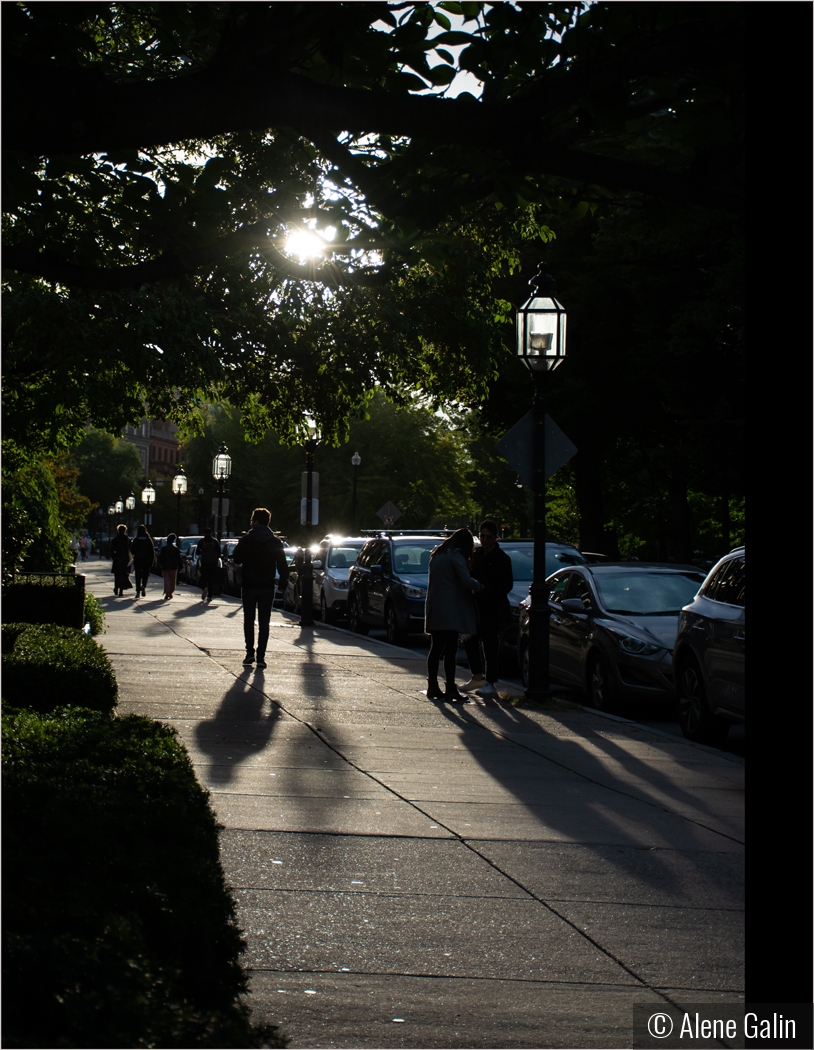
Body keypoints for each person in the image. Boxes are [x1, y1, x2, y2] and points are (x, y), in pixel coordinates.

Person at [424, 528, 483, 703]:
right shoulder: (456, 555)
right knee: (450, 650)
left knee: (436, 648)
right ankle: (450, 688)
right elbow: (465, 579)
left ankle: (432, 685)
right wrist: (480, 586)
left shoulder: (438, 553)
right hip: (450, 610)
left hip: (435, 607)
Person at [461, 519, 514, 698]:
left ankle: (490, 681)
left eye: (488, 537)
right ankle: (477, 676)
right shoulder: (476, 555)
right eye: (482, 536)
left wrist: (487, 591)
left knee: (490, 643)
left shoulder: (502, 559)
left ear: (495, 537)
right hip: (475, 606)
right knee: (470, 640)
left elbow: (506, 585)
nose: (484, 540)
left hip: (492, 607)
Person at [233, 508, 289, 669]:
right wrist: (283, 583)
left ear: (255, 521)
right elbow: (282, 565)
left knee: (248, 620)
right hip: (267, 585)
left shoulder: (247, 539)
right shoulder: (275, 541)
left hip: (249, 584)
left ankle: (249, 652)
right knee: (264, 621)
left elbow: (236, 558)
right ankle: (261, 656)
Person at [197, 528, 223, 603]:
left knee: (203, 578)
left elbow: (198, 552)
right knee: (211, 580)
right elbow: (219, 553)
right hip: (213, 563)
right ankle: (209, 596)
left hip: (204, 563)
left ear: (204, 533)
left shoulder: (202, 541)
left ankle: (204, 587)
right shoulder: (215, 541)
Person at [131, 523, 155, 597]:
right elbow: (152, 551)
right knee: (145, 575)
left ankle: (138, 591)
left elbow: (132, 550)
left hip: (138, 560)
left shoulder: (136, 539)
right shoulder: (148, 539)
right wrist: (152, 561)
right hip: (146, 560)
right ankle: (144, 586)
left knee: (138, 576)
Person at [158, 533, 183, 599]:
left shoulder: (164, 549)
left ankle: (167, 592)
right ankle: (170, 592)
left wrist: (160, 564)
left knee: (166, 580)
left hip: (165, 566)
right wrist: (180, 567)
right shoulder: (175, 549)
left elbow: (160, 558)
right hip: (173, 567)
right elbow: (178, 559)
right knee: (172, 580)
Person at [110, 524, 133, 596]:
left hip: (117, 559)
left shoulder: (115, 540)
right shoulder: (128, 540)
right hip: (125, 559)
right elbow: (130, 550)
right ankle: (121, 591)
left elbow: (111, 550)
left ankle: (116, 587)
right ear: (125, 530)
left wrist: (114, 557)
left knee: (117, 575)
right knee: (124, 575)